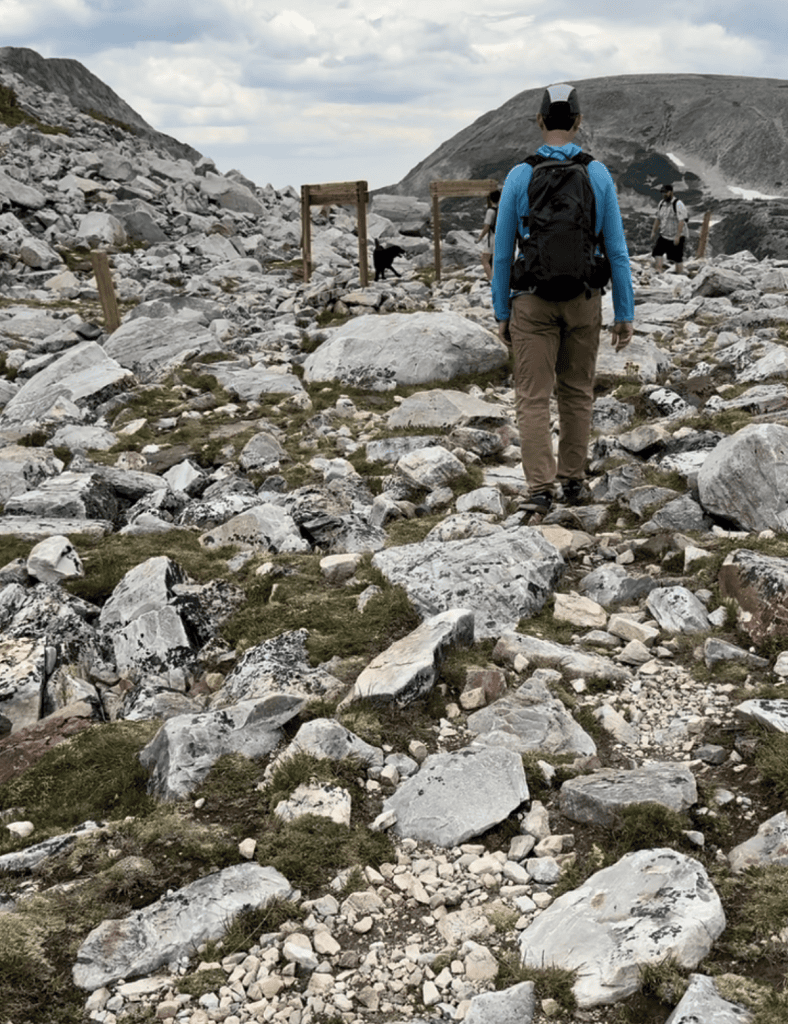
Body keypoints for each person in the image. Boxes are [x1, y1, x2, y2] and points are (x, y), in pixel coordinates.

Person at [491, 82, 635, 521]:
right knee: (576, 391)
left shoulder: (519, 175)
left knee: (532, 397)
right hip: (583, 299)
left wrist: (501, 311)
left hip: (530, 302)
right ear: (577, 122)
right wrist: (624, 312)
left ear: (539, 121)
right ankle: (573, 478)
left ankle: (539, 488)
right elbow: (616, 249)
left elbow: (502, 253)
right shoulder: (597, 174)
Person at [651, 183, 688, 274]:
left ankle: (680, 276)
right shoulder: (661, 204)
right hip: (664, 235)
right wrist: (653, 231)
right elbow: (658, 218)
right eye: (662, 192)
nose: (664, 194)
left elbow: (681, 221)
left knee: (677, 257)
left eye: (665, 192)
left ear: (671, 192)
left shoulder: (678, 204)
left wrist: (677, 236)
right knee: (657, 252)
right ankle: (658, 271)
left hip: (676, 235)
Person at [478, 189, 500, 282]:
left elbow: (487, 227)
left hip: (492, 237)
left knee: (484, 259)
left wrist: (479, 238)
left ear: (491, 200)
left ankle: (491, 280)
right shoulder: (502, 210)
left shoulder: (490, 211)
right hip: (502, 236)